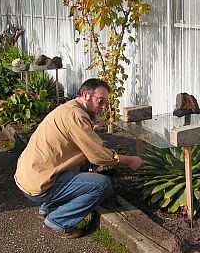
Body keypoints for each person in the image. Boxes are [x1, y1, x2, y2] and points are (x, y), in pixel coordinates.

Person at [14, 78, 144, 238]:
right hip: (39, 185)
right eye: (100, 101)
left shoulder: (69, 108)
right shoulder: (76, 117)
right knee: (102, 185)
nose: (103, 107)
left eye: (105, 102)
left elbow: (84, 150)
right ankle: (59, 220)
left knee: (85, 171)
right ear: (85, 95)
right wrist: (130, 161)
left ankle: (48, 208)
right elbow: (98, 155)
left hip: (29, 176)